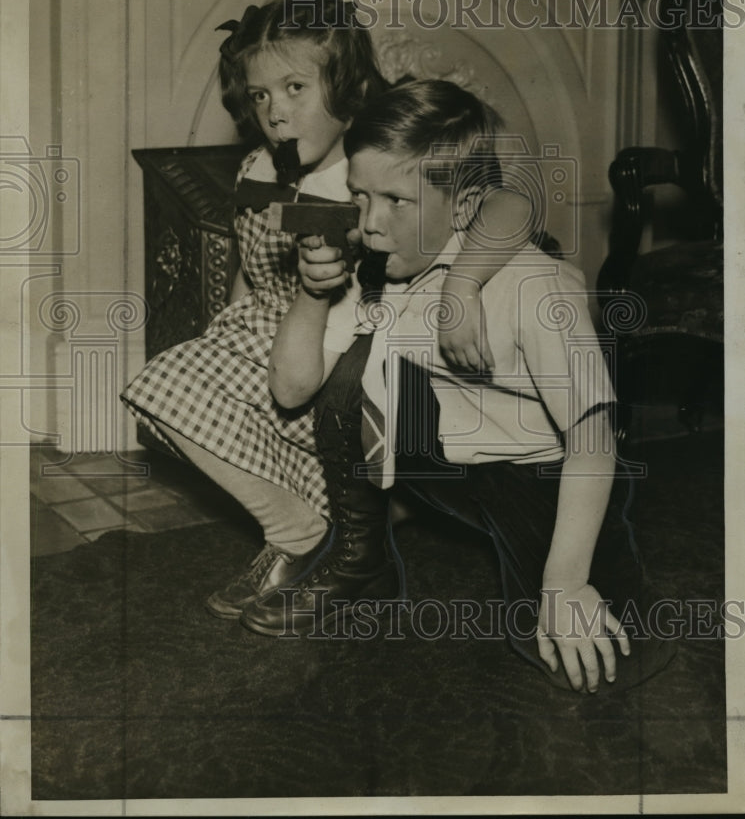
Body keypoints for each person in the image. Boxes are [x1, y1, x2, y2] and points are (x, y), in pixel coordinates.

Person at [242, 78, 676, 695]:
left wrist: (567, 584)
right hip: (452, 458)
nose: (370, 224)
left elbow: (595, 443)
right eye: (360, 197)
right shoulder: (388, 265)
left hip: (545, 475)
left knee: (584, 660)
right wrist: (312, 297)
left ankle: (593, 574)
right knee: (350, 379)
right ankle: (363, 557)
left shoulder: (535, 289)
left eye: (396, 200)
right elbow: (291, 391)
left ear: (467, 207)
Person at [121, 0, 533, 621]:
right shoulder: (261, 166)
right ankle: (306, 524)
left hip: (346, 339)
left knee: (169, 384)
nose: (275, 113)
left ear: (347, 86)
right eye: (260, 96)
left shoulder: (373, 160)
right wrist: (219, 335)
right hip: (274, 328)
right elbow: (248, 261)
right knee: (164, 397)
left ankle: (309, 535)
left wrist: (463, 286)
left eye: (294, 87)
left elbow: (511, 205)